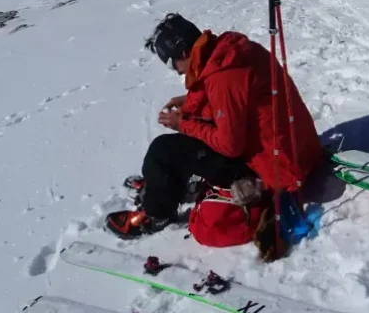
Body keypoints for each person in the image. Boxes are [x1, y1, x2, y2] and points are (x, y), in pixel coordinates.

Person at [106, 13, 323, 239]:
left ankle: (156, 213)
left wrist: (184, 124)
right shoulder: (230, 52)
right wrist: (189, 105)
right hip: (296, 150)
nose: (177, 71)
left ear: (183, 52)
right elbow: (232, 104)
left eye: (171, 64)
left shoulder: (223, 77)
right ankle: (161, 184)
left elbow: (230, 146)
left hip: (271, 165)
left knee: (163, 150)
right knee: (193, 130)